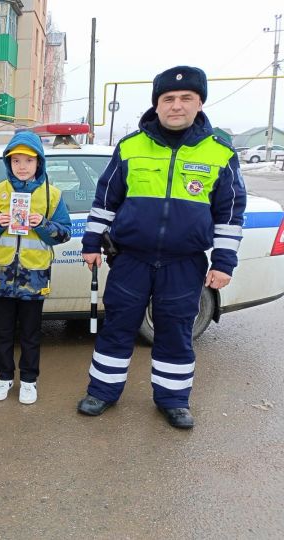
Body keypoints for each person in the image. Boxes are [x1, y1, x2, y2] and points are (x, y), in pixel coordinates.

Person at [76, 66, 246, 429]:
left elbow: (230, 213)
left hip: (183, 263)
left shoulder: (220, 152)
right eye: (168, 99)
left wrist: (224, 262)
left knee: (175, 331)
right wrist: (92, 241)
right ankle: (102, 391)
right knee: (118, 326)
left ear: (199, 103)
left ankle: (173, 399)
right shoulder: (130, 146)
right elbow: (105, 200)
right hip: (131, 259)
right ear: (157, 104)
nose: (176, 106)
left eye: (186, 98)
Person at [0, 130, 72, 405]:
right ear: (8, 163)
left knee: (31, 334)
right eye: (16, 161)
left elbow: (64, 233)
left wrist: (41, 224)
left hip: (34, 276)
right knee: (3, 332)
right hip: (2, 275)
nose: (22, 167)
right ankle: (4, 377)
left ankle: (29, 380)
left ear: (39, 163)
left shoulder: (52, 195)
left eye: (28, 161)